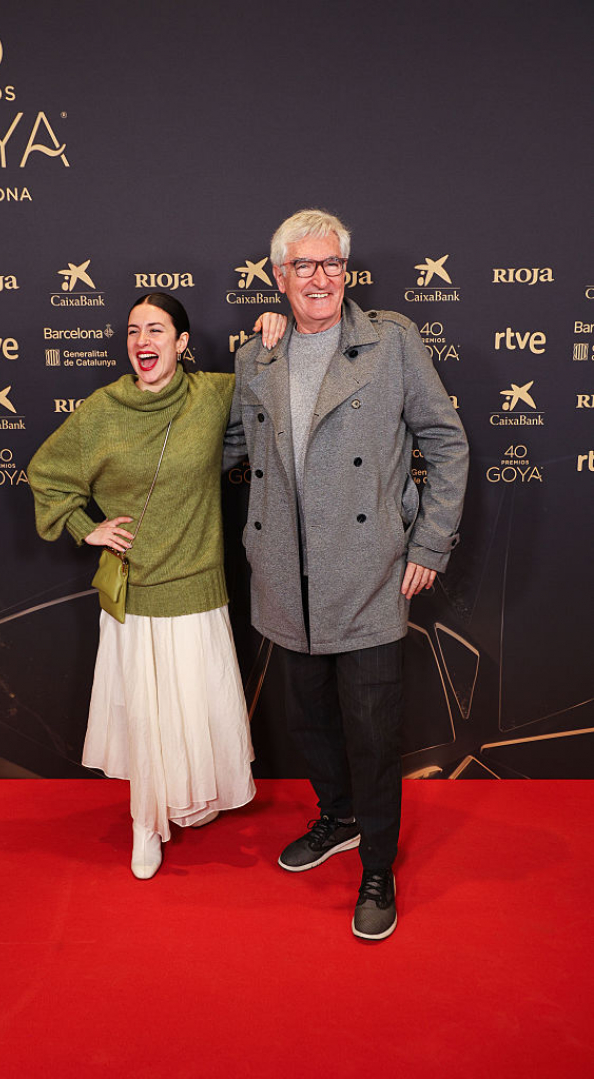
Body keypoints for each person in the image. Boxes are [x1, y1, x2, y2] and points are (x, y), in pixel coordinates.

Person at [225, 209, 469, 939]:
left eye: (332, 264)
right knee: (310, 721)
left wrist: (429, 544)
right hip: (283, 576)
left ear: (346, 272)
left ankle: (377, 864)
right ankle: (335, 818)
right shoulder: (254, 356)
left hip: (366, 573)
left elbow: (446, 442)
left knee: (371, 731)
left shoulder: (389, 341)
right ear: (279, 277)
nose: (321, 278)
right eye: (304, 266)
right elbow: (233, 445)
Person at [28, 293, 285, 880]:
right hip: (135, 589)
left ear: (182, 342)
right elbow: (47, 472)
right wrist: (84, 527)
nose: (143, 341)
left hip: (197, 586)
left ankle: (188, 802)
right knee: (147, 715)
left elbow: (271, 385)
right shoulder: (105, 408)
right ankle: (147, 823)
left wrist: (275, 326)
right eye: (133, 330)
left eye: (157, 330)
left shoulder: (211, 396)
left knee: (195, 706)